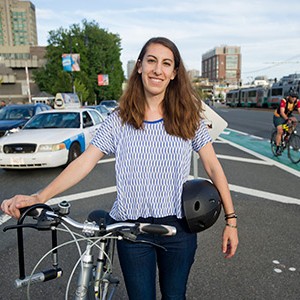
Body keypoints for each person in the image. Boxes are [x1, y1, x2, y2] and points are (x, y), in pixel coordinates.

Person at [1, 37, 238, 299]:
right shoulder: (119, 120)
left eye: (166, 64)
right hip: (129, 230)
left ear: (174, 73)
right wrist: (38, 198)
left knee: (174, 296)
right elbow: (85, 161)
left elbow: (213, 167)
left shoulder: (188, 117)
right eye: (151, 61)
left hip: (178, 228)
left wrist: (231, 221)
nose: (158, 69)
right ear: (139, 66)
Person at [273, 90, 300, 155]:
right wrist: (287, 119)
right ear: (289, 96)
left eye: (295, 97)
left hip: (288, 114)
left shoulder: (297, 102)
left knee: (295, 121)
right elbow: (282, 112)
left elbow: (299, 110)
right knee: (280, 131)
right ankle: (277, 147)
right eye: (292, 97)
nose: (294, 98)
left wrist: (289, 119)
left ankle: (287, 136)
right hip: (278, 116)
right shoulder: (284, 101)